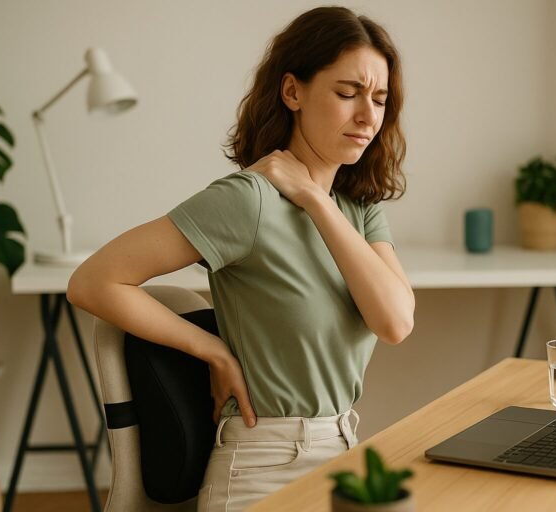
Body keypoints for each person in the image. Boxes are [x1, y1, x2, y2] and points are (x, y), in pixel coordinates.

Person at [67, 5, 414, 511]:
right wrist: (211, 349)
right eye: (347, 93)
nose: (367, 116)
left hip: (343, 454)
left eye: (380, 100)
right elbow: (93, 281)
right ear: (292, 91)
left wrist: (316, 200)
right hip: (263, 469)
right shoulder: (247, 200)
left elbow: (396, 322)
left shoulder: (356, 210)